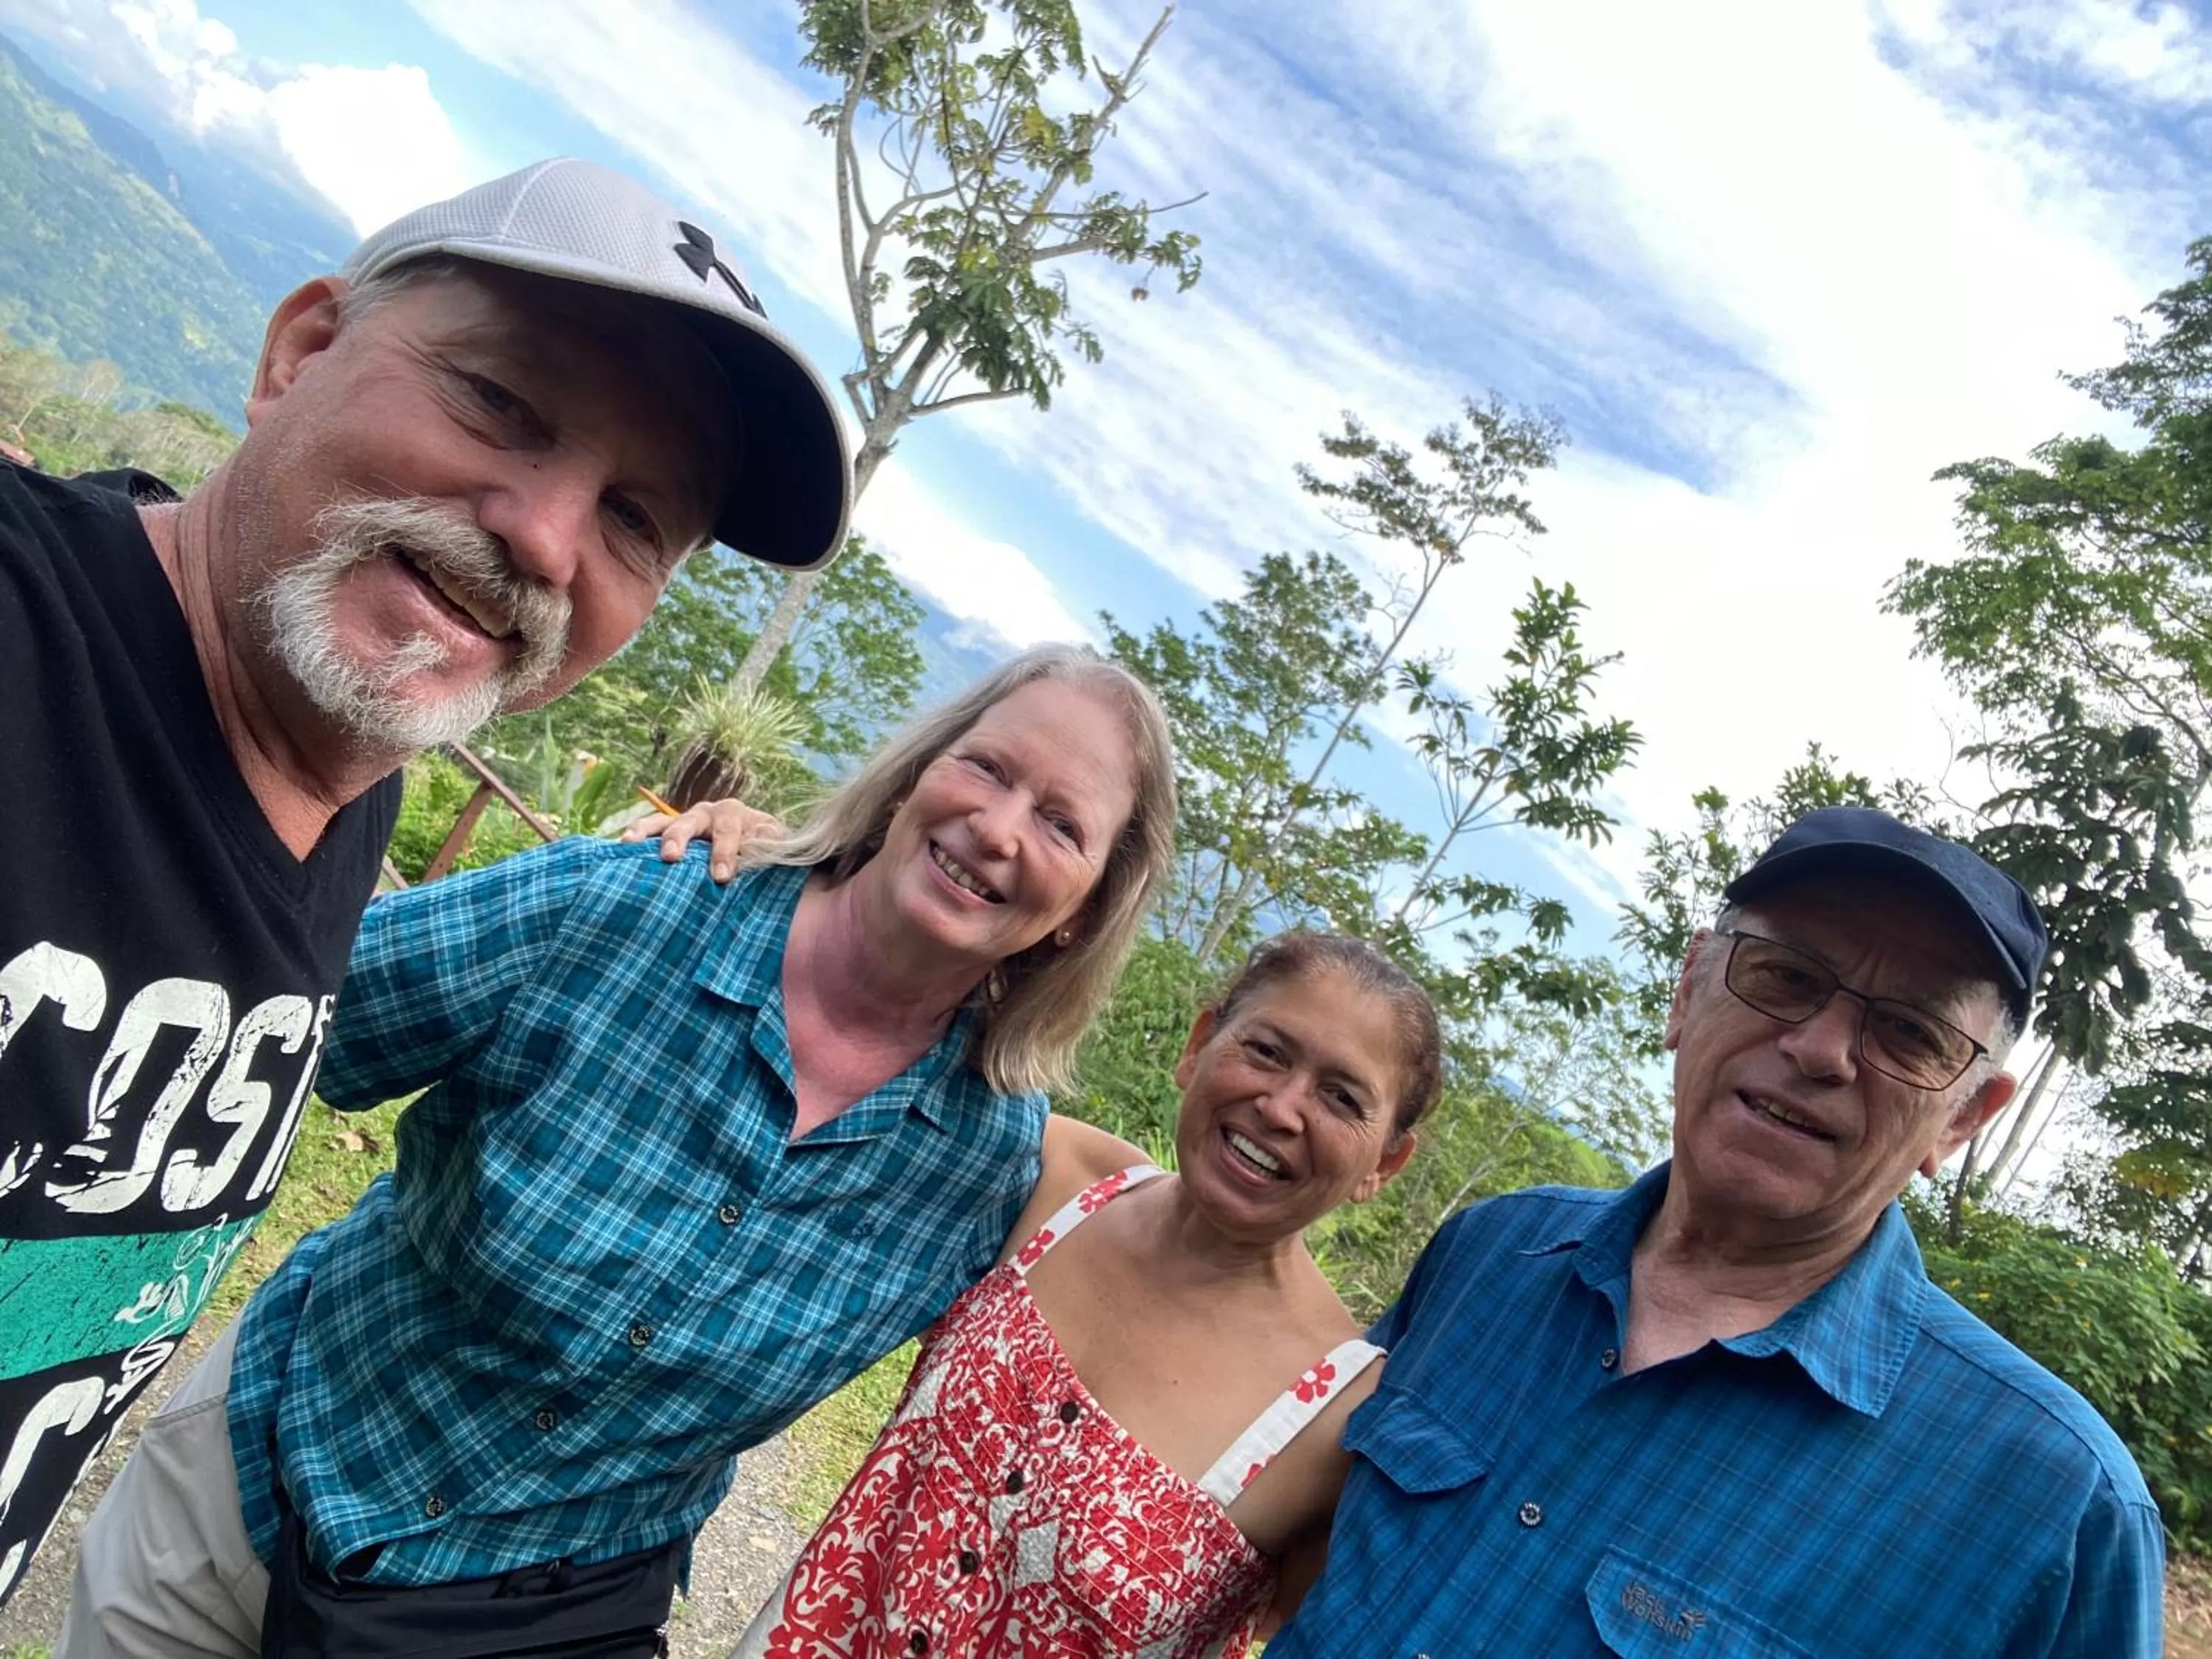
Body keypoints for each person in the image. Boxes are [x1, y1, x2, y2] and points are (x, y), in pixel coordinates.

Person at [0, 156, 849, 1605]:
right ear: (301, 351)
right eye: (502, 401)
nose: (546, 536)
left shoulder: (346, 790)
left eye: (635, 521)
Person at [60, 644, 1178, 1658]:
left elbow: (1198, 1258)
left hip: (523, 1613)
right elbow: (273, 1019)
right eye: (987, 767)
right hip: (270, 1460)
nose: (999, 826)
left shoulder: (988, 1170)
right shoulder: (625, 909)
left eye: (1061, 824)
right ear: (916, 775)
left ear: (1084, 914)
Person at [1267, 807, 2165, 1658]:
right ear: (1688, 990)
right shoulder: (1491, 1251)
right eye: (1787, 977)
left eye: (1907, 1031)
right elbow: (1296, 1542)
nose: (1819, 1050)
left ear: (1965, 1116)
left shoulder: (2059, 1510)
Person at [738, 930, 1444, 1658]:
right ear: (1200, 1044)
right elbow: (840, 1066)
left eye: (1342, 1097)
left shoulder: (1340, 1420)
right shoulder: (1053, 1177)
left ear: (1384, 1163)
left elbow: (1299, 1620)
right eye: (1266, 1051)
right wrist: (771, 875)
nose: (1282, 1108)